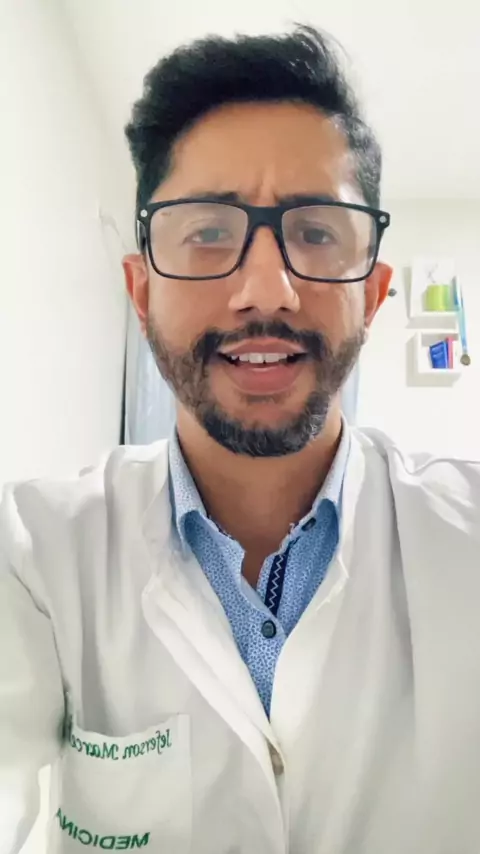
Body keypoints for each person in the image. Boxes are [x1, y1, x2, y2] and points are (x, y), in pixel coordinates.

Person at [1, 25, 480, 854]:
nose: (268, 289)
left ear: (374, 294)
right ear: (141, 290)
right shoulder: (35, 555)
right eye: (209, 232)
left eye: (317, 232)